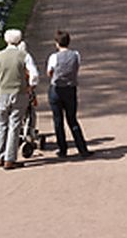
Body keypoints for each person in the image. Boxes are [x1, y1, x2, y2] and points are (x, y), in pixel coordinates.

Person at [0, 29, 39, 169]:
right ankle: (9, 159)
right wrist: (30, 86)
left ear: (6, 40)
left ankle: (0, 156)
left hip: (3, 94)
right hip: (19, 93)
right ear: (19, 40)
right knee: (15, 125)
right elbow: (34, 75)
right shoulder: (24, 55)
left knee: (2, 125)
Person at [46, 30, 90, 158]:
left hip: (56, 90)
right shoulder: (76, 54)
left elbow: (49, 72)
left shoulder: (53, 57)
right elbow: (76, 67)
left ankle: (63, 149)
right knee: (72, 119)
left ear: (56, 43)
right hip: (70, 89)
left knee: (58, 120)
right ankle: (82, 148)